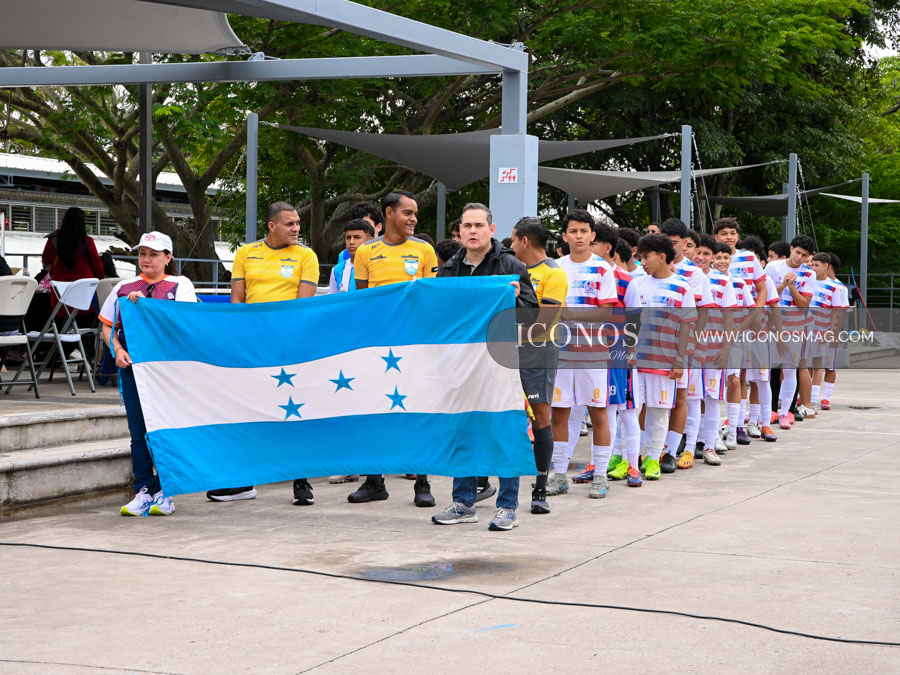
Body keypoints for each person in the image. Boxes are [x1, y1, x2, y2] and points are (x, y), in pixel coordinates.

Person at [431, 203, 538, 530]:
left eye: (479, 225)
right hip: (461, 365)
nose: (473, 231)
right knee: (462, 429)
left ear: (492, 229)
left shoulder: (510, 265)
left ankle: (507, 507)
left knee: (504, 430)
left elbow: (532, 315)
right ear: (459, 231)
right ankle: (464, 502)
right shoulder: (449, 268)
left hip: (500, 363)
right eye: (467, 226)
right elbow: (438, 315)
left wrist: (516, 299)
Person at [208, 202, 320, 506]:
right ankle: (242, 482)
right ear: (271, 226)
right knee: (246, 411)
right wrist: (241, 341)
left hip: (289, 347)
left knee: (294, 411)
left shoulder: (306, 256)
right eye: (290, 224)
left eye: (298, 223)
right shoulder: (246, 253)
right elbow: (238, 303)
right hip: (253, 347)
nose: (297, 228)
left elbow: (302, 308)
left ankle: (302, 481)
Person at [99, 232, 197, 516]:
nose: (146, 259)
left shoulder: (180, 284)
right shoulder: (124, 286)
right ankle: (143, 490)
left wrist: (146, 308)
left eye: (154, 254)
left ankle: (166, 491)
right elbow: (107, 325)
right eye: (142, 253)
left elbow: (184, 321)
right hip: (133, 367)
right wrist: (116, 349)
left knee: (165, 429)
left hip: (167, 370)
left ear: (168, 257)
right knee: (137, 432)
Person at [350, 190, 438, 507]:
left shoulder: (425, 250)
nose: (413, 218)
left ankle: (423, 482)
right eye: (407, 213)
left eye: (415, 213)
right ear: (389, 214)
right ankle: (374, 481)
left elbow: (432, 298)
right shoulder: (365, 252)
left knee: (418, 411)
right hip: (378, 345)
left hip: (415, 345)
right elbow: (363, 302)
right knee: (375, 410)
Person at [546, 210, 616, 499]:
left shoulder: (603, 269)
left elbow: (608, 309)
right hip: (561, 352)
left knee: (598, 412)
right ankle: (558, 474)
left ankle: (600, 475)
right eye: (573, 231)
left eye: (584, 231)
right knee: (559, 413)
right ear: (564, 236)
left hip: (592, 352)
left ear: (592, 235)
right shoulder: (555, 267)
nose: (579, 236)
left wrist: (571, 314)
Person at [508, 216, 568, 513]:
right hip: (505, 353)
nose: (509, 245)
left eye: (512, 239)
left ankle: (540, 489)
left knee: (540, 417)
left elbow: (544, 324)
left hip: (537, 355)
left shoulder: (553, 274)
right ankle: (484, 483)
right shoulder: (510, 269)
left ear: (525, 241)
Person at [632, 234, 696, 480]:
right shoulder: (637, 284)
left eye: (646, 257)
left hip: (665, 362)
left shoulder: (682, 287)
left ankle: (653, 460)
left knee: (659, 412)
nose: (642, 262)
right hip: (637, 361)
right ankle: (632, 459)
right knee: (633, 409)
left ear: (661, 257)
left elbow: (687, 327)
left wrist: (680, 359)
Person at [659, 218, 714, 472]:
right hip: (654, 348)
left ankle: (680, 449)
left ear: (685, 244)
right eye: (666, 242)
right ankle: (655, 450)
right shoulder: (649, 268)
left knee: (685, 397)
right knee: (654, 401)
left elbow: (703, 314)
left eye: (675, 243)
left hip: (684, 347)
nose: (670, 247)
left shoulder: (695, 273)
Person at [327, 218, 375, 485]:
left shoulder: (380, 264)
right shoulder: (339, 270)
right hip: (348, 344)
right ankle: (350, 463)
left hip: (378, 343)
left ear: (372, 237)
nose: (353, 242)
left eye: (358, 237)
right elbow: (335, 306)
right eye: (348, 238)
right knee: (348, 401)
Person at [692, 235, 738, 464]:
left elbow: (730, 317)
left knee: (711, 398)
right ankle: (689, 444)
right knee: (690, 397)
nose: (700, 257)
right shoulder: (684, 276)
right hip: (688, 348)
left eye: (706, 254)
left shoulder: (722, 281)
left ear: (712, 258)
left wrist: (726, 348)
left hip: (714, 348)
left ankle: (708, 445)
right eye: (697, 252)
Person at [765, 235, 816, 428]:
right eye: (797, 252)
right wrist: (782, 285)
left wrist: (792, 286)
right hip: (770, 324)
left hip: (795, 327)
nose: (799, 258)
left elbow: (804, 305)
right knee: (769, 370)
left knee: (790, 369)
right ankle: (768, 411)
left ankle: (786, 411)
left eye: (804, 255)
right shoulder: (773, 267)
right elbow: (766, 295)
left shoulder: (809, 274)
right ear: (791, 248)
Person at [41, 207, 105, 324]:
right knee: (85, 326)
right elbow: (98, 266)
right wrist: (101, 279)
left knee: (61, 324)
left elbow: (46, 260)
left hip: (60, 292)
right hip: (84, 293)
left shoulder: (54, 239)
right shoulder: (87, 241)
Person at [328, 219, 374, 294]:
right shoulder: (337, 270)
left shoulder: (378, 266)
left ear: (370, 241)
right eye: (348, 238)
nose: (351, 242)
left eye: (357, 237)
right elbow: (333, 300)